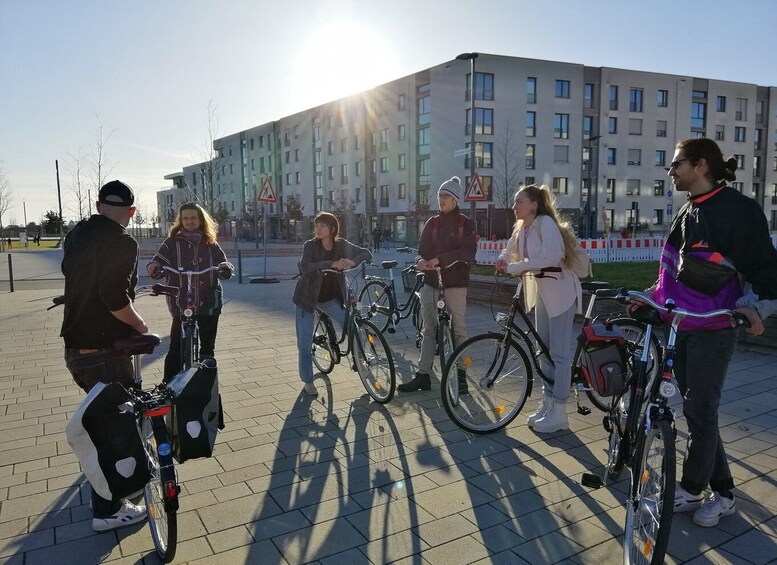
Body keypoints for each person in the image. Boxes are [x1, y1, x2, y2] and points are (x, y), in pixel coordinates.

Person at [640, 138, 777, 527]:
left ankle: (692, 488)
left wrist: (755, 307)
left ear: (700, 165)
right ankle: (725, 492)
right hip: (679, 325)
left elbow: (768, 271)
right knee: (698, 412)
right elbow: (669, 272)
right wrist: (648, 298)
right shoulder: (686, 210)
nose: (670, 172)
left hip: (714, 327)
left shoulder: (739, 211)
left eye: (676, 164)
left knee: (701, 409)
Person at [60, 180, 148, 532]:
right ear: (131, 212)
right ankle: (108, 510)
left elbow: (74, 277)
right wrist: (140, 325)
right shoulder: (123, 241)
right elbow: (114, 296)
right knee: (115, 427)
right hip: (103, 352)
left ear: (97, 207)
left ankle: (118, 484)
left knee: (106, 420)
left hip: (75, 348)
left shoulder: (77, 234)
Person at [495, 184, 582, 432]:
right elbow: (510, 247)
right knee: (541, 349)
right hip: (543, 293)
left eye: (519, 201)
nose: (514, 206)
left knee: (559, 353)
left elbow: (551, 257)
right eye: (514, 202)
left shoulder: (545, 223)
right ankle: (547, 404)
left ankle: (560, 411)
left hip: (561, 293)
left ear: (533, 204)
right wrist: (503, 258)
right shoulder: (522, 228)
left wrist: (515, 267)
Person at [397, 176, 477, 392]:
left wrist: (440, 259)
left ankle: (461, 374)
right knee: (428, 329)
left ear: (456, 200)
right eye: (440, 195)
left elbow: (469, 252)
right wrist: (420, 261)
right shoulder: (432, 223)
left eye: (447, 196)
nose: (442, 199)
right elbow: (421, 249)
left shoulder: (465, 223)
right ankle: (423, 375)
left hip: (456, 284)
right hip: (431, 283)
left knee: (459, 329)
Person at [146, 202, 234, 381]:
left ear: (200, 219)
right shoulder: (172, 243)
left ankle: (207, 384)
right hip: (181, 300)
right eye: (185, 218)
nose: (189, 221)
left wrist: (225, 267)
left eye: (193, 217)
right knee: (176, 347)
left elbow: (224, 264)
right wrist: (154, 267)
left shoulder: (210, 243)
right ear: (180, 220)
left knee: (207, 348)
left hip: (208, 300)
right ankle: (168, 386)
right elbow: (158, 261)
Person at [293, 212, 372, 396]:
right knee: (304, 344)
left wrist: (352, 261)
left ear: (332, 229)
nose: (318, 229)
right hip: (306, 300)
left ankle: (360, 361)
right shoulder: (310, 246)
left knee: (351, 325)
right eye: (317, 225)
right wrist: (332, 263)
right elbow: (305, 267)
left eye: (322, 225)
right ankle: (308, 381)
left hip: (329, 299)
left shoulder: (340, 245)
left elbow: (365, 252)